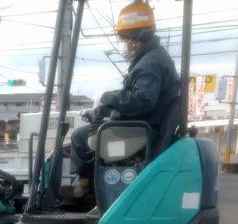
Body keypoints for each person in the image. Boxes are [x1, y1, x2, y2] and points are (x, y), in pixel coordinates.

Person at [61, 0, 181, 207]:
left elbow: (142, 102)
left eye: (122, 36)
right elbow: (134, 97)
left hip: (143, 130)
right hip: (144, 125)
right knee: (88, 134)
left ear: (137, 36)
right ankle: (94, 187)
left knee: (80, 137)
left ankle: (87, 190)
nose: (121, 41)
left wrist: (106, 98)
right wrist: (102, 108)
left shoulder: (150, 63)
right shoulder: (152, 58)